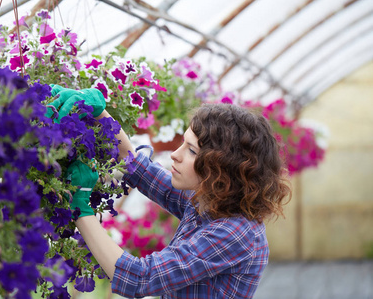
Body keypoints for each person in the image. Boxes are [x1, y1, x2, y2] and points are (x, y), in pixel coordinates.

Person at [48, 86, 291, 298]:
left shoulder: (234, 233)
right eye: (183, 142)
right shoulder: (210, 203)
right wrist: (99, 112)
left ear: (222, 171)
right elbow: (137, 168)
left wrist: (80, 206)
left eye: (192, 151)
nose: (175, 154)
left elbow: (138, 278)